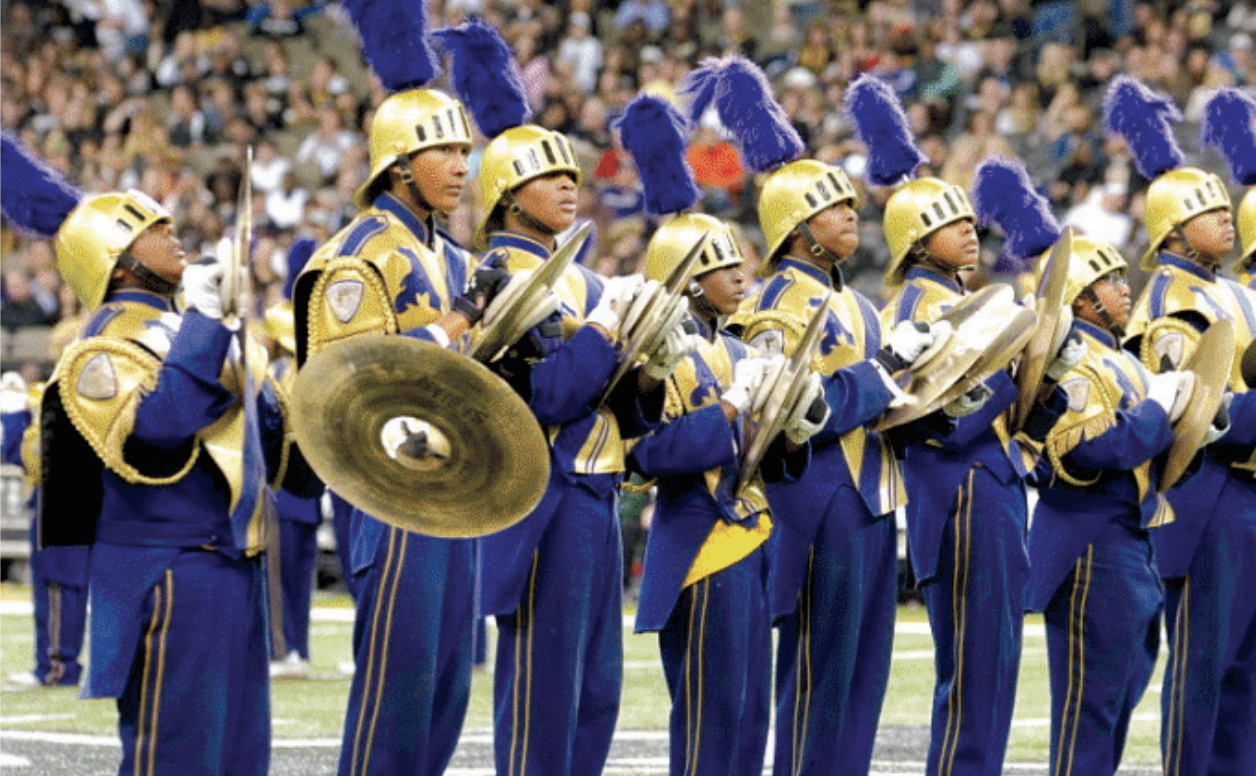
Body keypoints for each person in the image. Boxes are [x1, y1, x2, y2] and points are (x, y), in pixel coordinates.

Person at [2, 131, 313, 775]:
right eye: (153, 227)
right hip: (168, 574)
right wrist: (206, 324)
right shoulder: (96, 350)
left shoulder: (191, 323)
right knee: (176, 758)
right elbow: (160, 427)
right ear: (115, 258)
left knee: (238, 758)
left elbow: (271, 441)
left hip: (233, 562)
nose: (174, 233)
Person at [436, 21, 682, 774]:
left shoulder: (593, 279)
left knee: (596, 690)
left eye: (572, 173)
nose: (569, 184)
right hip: (543, 487)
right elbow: (549, 395)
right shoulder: (495, 279)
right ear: (508, 195)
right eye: (549, 177)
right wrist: (610, 332)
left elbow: (627, 414)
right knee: (544, 692)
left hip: (600, 488)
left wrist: (649, 368)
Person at [690, 57, 937, 775]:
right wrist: (885, 372)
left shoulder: (858, 303)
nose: (852, 216)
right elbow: (797, 415)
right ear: (798, 226)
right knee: (817, 672)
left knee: (864, 674)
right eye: (836, 209)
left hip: (868, 497)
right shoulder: (772, 307)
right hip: (811, 497)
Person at [293, 83, 508, 776]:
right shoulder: (356, 254)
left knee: (445, 687)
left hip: (455, 490)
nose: (460, 166)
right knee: (397, 685)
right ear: (397, 166)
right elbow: (353, 378)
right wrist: (462, 318)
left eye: (464, 151)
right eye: (443, 150)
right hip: (389, 491)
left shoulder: (450, 256)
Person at [618, 94, 822, 776]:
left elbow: (768, 463)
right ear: (687, 279)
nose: (744, 277)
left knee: (746, 717)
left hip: (752, 533)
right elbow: (646, 456)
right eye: (725, 267)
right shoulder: (658, 349)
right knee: (710, 718)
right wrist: (731, 412)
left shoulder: (736, 348)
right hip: (701, 544)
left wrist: (793, 429)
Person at [873, 154, 1075, 774]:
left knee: (994, 668)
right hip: (958, 492)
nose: (969, 228)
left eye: (969, 219)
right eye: (949, 221)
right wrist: (1017, 378)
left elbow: (1003, 416)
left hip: (991, 487)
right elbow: (937, 420)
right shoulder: (915, 310)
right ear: (914, 239)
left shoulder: (964, 300)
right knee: (973, 672)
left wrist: (1047, 380)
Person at [1107, 75, 1256, 776]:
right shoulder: (1169, 302)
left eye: (1227, 209)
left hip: (1243, 492)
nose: (1227, 218)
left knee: (1246, 674)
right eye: (1209, 212)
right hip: (1206, 494)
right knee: (1205, 668)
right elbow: (1204, 417)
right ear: (1172, 232)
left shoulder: (1226, 290)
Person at [1026, 234, 1204, 776]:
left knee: (1121, 688)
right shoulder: (1072, 358)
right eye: (1110, 280)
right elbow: (1092, 451)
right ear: (1080, 296)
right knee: (1091, 705)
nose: (1126, 290)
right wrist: (1155, 410)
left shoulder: (1118, 357)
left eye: (1124, 278)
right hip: (1089, 538)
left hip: (1130, 533)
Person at [2, 371, 89, 690]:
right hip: (83, 499)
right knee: (69, 590)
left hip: (60, 501)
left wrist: (13, 417)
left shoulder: (60, 400)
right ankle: (61, 665)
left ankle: (56, 667)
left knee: (57, 588)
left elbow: (31, 458)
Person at [263, 238, 318, 681]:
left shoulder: (284, 372)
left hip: (289, 490)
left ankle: (288, 650)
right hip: (299, 491)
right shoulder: (291, 371)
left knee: (286, 582)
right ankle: (292, 648)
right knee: (294, 580)